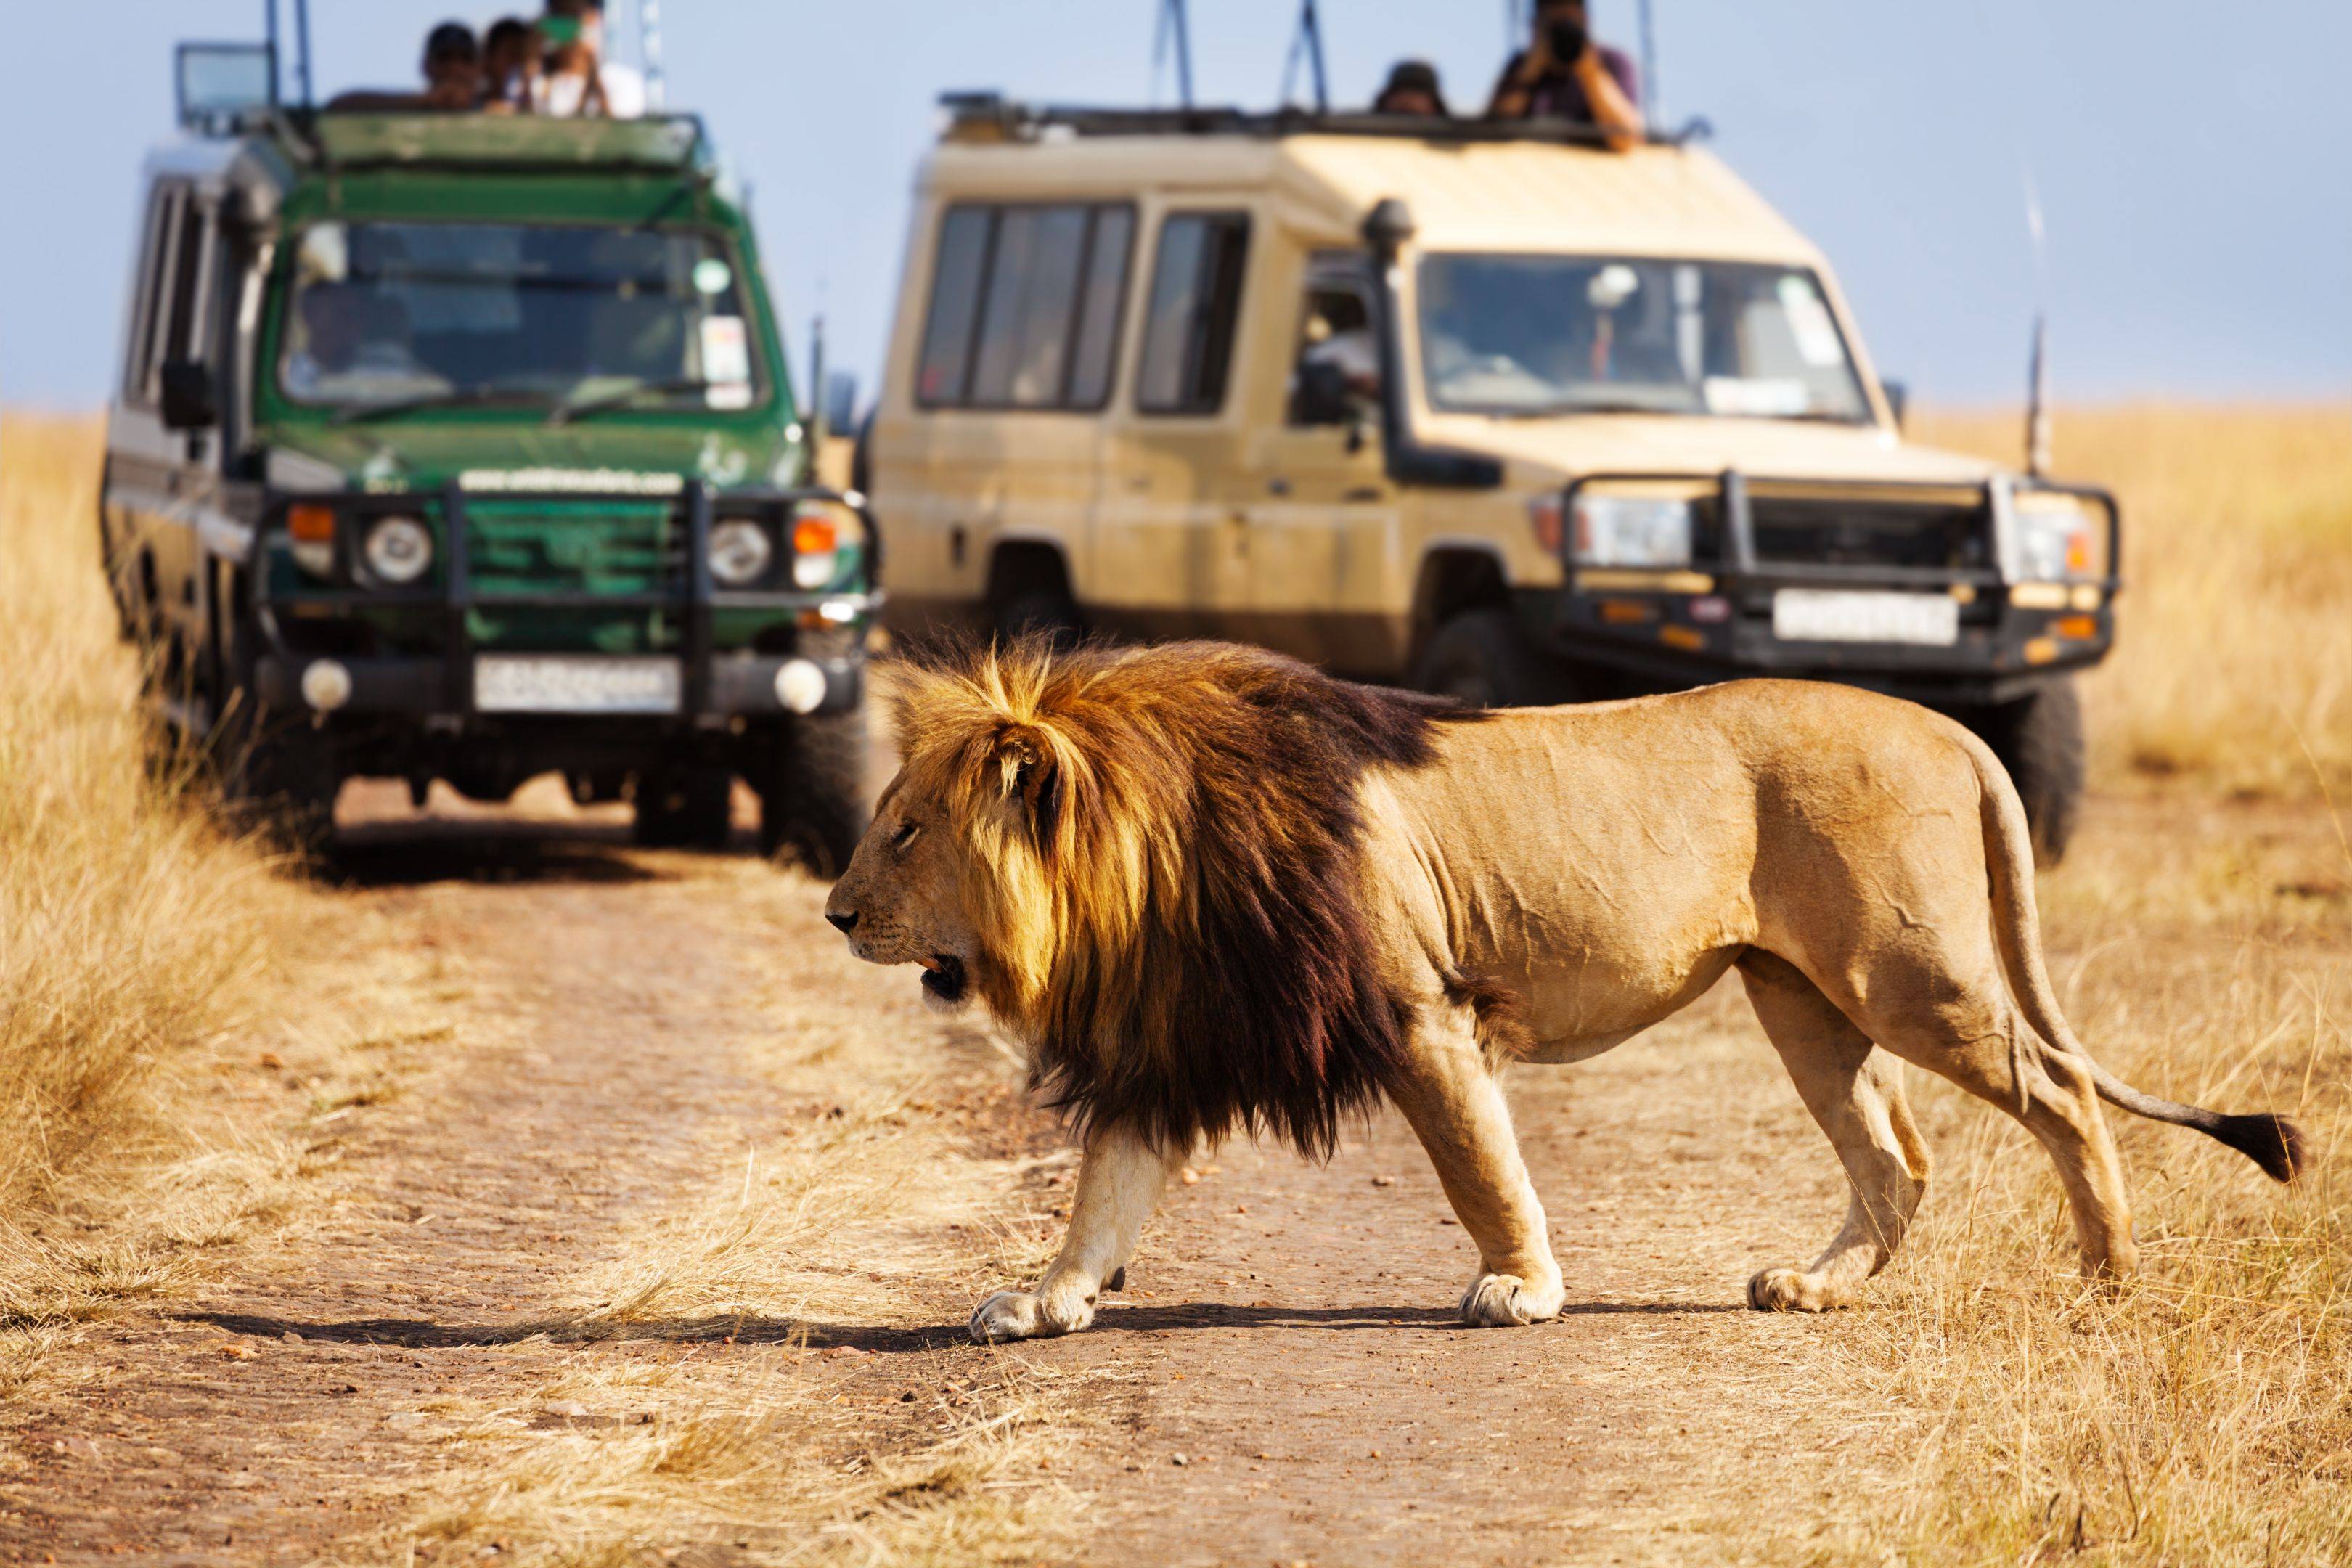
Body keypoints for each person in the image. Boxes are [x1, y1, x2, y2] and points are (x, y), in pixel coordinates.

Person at [1486, 0, 1643, 151]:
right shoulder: (1522, 66)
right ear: (1535, 25)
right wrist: (1529, 71)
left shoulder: (1612, 63)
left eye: (1569, 23)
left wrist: (1590, 72)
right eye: (1554, 26)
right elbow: (1491, 134)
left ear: (1585, 21)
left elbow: (1625, 139)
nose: (1563, 35)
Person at [533, 0, 645, 118]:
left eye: (578, 14)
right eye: (562, 14)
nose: (572, 25)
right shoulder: (536, 85)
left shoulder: (624, 82)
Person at [417, 21, 482, 110]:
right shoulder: (398, 113)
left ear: (479, 68)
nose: (454, 68)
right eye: (444, 58)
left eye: (466, 59)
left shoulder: (498, 112)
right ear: (426, 65)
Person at [480, 16, 537, 111]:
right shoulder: (471, 103)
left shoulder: (543, 101)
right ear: (488, 59)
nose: (519, 64)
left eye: (524, 57)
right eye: (512, 54)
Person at [1372, 60, 1449, 118]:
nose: (1406, 99)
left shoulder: (1452, 137)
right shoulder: (1366, 135)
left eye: (1417, 92)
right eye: (1399, 92)